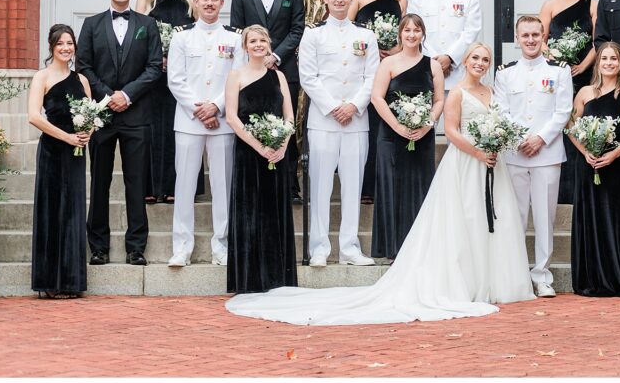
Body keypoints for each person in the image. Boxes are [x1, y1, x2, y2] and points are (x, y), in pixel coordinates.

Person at [225, 43, 535, 325]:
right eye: (475, 58)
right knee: (463, 220)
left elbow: (498, 123)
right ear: (465, 61)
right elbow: (452, 132)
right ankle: (469, 282)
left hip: (492, 165)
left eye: (485, 59)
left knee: (493, 220)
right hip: (467, 162)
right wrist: (478, 151)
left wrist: (495, 144)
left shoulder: (492, 92)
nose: (480, 63)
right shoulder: (456, 93)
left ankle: (495, 280)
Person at [77, 0, 163, 267]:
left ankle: (136, 248)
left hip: (137, 115)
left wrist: (126, 95)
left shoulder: (147, 24)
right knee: (99, 183)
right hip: (101, 117)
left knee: (136, 184)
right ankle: (98, 247)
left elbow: (154, 67)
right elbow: (83, 66)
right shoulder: (91, 24)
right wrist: (108, 96)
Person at [299, 0, 380, 267]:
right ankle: (319, 247)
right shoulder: (313, 35)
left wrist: (354, 106)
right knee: (320, 186)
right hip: (323, 121)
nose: (339, 0)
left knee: (352, 186)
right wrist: (335, 107)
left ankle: (350, 247)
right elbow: (308, 77)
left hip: (356, 121)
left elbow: (373, 77)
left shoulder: (366, 36)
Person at [165, 0, 244, 267]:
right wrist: (199, 109)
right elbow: (175, 78)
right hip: (189, 121)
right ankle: (182, 246)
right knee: (184, 185)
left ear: (222, 4)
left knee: (222, 187)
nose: (209, 3)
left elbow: (236, 78)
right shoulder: (182, 38)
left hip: (222, 121)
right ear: (195, 3)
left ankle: (220, 246)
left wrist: (217, 107)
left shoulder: (235, 39)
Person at [494, 16, 573, 298]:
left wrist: (540, 138)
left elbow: (563, 111)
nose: (530, 40)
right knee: (514, 218)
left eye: (535, 35)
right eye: (525, 35)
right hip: (515, 155)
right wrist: (518, 139)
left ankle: (542, 275)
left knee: (544, 218)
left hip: (547, 154)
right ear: (516, 38)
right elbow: (500, 111)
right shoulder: (505, 73)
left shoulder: (559, 71)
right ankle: (515, 274)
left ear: (544, 38)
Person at [568, 42, 620, 297]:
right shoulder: (584, 93)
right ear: (598, 63)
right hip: (589, 166)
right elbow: (570, 127)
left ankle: (616, 278)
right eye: (604, 59)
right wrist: (585, 152)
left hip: (618, 165)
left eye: (613, 59)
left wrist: (614, 154)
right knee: (590, 220)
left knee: (616, 220)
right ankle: (590, 279)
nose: (609, 63)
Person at [230, 0, 306, 204]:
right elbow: (237, 29)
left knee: (286, 124)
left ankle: (289, 184)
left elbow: (298, 29)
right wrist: (257, 55)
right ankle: (256, 178)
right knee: (253, 121)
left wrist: (275, 55)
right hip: (250, 74)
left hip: (283, 70)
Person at [224, 25, 297, 293]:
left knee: (274, 212)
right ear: (245, 47)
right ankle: (250, 280)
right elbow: (232, 117)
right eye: (252, 41)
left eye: (262, 40)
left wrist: (281, 145)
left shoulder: (278, 76)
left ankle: (279, 277)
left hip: (277, 154)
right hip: (248, 154)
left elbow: (289, 116)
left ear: (269, 44)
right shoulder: (235, 76)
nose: (258, 44)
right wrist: (259, 146)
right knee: (250, 213)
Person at [370, 14, 445, 260]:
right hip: (391, 137)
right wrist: (397, 127)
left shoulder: (432, 65)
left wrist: (427, 125)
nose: (411, 35)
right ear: (400, 34)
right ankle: (393, 248)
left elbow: (439, 100)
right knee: (392, 187)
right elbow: (377, 98)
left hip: (422, 136)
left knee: (419, 188)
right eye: (407, 30)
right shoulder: (388, 63)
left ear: (423, 34)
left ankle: (420, 248)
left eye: (416, 30)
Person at [28, 24, 92, 297]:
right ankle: (48, 282)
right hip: (53, 151)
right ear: (52, 47)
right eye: (60, 44)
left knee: (73, 212)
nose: (66, 48)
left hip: (77, 153)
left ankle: (71, 281)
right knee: (52, 211)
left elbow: (89, 113)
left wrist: (88, 130)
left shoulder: (82, 80)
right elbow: (33, 116)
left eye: (70, 43)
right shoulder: (41, 77)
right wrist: (66, 137)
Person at [135, 0, 196, 204]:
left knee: (179, 125)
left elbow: (199, 28)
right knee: (154, 124)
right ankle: (151, 185)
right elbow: (139, 29)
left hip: (184, 70)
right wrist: (155, 56)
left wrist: (177, 58)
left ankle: (177, 185)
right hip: (155, 69)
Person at [349, 0, 407, 204]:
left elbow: (407, 34)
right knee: (369, 127)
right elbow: (347, 29)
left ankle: (389, 182)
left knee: (386, 126)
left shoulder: (400, 0)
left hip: (390, 67)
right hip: (363, 66)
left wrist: (395, 50)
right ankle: (366, 187)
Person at [540, 0, 598, 204]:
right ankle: (558, 188)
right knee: (559, 123)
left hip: (583, 73)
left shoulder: (592, 4)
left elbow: (598, 40)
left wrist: (583, 65)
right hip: (556, 73)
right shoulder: (550, 5)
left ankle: (580, 187)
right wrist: (555, 58)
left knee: (580, 124)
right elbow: (539, 40)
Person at [406, 0, 482, 92]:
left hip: (458, 73)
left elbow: (471, 32)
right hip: (426, 71)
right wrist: (435, 62)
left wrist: (450, 58)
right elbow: (414, 33)